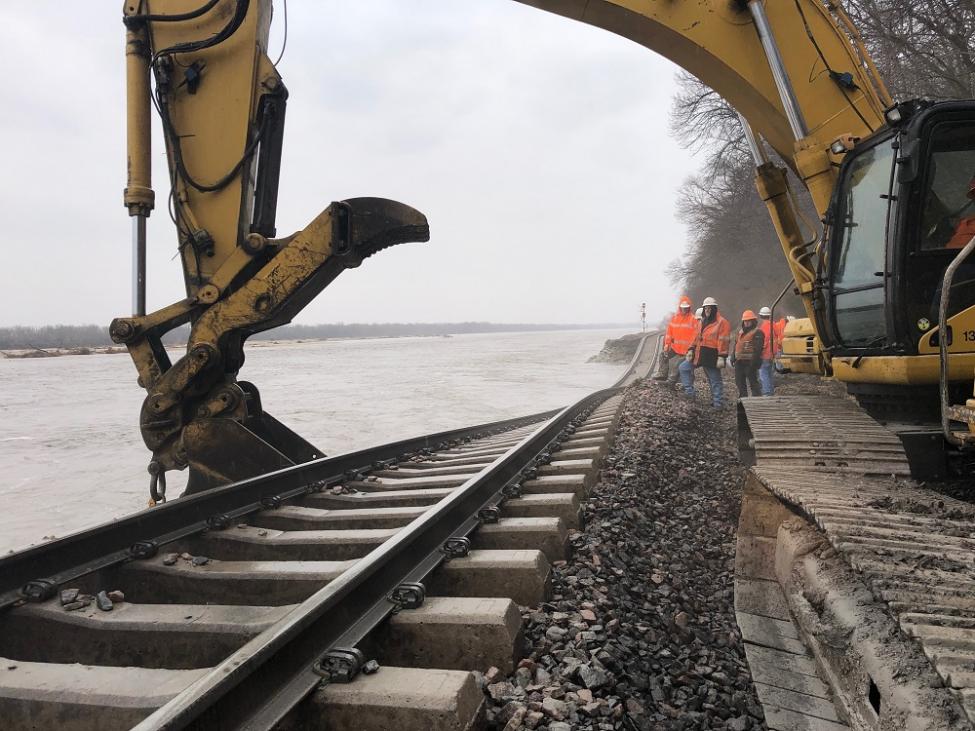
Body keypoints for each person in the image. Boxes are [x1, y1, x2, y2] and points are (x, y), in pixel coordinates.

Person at [679, 296, 731, 407]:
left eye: (709, 308)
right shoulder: (702, 321)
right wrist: (691, 349)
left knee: (714, 380)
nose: (707, 310)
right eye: (705, 308)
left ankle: (718, 404)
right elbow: (696, 337)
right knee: (683, 367)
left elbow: (724, 340)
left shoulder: (722, 322)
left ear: (714, 309)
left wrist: (722, 356)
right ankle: (689, 393)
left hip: (712, 355)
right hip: (699, 353)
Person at [653, 296, 696, 382]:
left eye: (686, 308)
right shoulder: (674, 319)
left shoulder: (693, 319)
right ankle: (662, 373)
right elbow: (669, 333)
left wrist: (692, 349)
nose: (684, 309)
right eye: (683, 308)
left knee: (678, 366)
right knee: (663, 355)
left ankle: (675, 381)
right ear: (680, 307)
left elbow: (696, 335)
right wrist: (667, 345)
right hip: (676, 348)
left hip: (687, 351)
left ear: (689, 308)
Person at [730, 310, 764, 397]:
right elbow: (736, 344)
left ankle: (757, 402)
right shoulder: (740, 332)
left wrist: (753, 363)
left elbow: (758, 350)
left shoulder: (758, 332)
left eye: (749, 321)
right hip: (739, 363)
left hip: (750, 363)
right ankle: (743, 402)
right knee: (740, 384)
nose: (747, 323)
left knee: (753, 383)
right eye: (745, 321)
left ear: (753, 321)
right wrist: (733, 356)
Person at [757, 306, 776, 395]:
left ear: (760, 316)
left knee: (764, 375)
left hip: (765, 355)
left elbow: (763, 343)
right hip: (772, 354)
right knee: (770, 375)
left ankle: (767, 394)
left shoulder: (762, 328)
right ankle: (771, 393)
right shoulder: (774, 325)